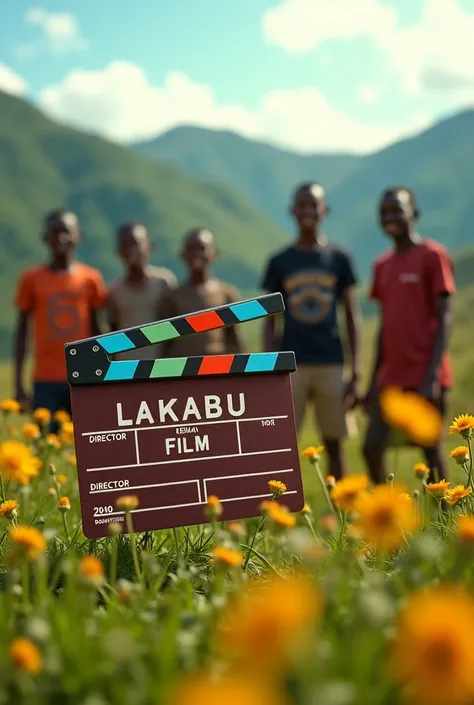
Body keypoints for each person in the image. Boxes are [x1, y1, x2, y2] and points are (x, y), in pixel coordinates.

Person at [261, 182, 361, 480]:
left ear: (324, 210)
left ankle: (343, 513)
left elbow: (351, 315)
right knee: (282, 443)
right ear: (292, 211)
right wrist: (269, 365)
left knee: (335, 444)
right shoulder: (280, 262)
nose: (307, 211)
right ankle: (278, 509)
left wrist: (356, 371)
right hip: (291, 364)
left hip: (331, 361)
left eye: (312, 204)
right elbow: (270, 320)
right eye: (301, 205)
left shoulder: (339, 258)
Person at [362, 187, 455, 484]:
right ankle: (385, 518)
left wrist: (431, 376)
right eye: (384, 212)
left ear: (414, 213)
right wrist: (373, 381)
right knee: (371, 447)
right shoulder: (382, 265)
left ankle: (445, 521)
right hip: (391, 379)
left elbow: (445, 318)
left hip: (424, 373)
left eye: (397, 210)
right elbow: (385, 327)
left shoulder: (433, 255)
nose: (390, 218)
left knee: (430, 449)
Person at [14, 209, 107, 418]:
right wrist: (18, 383)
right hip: (45, 379)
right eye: (55, 232)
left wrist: (103, 374)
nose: (61, 238)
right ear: (45, 238)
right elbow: (21, 331)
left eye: (66, 232)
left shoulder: (91, 279)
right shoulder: (31, 279)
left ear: (78, 236)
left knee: (86, 445)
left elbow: (98, 329)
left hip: (84, 376)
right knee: (46, 445)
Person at [160, 228, 244, 357]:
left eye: (202, 248)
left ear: (214, 253)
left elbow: (234, 340)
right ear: (183, 255)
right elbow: (165, 343)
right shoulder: (173, 297)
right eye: (191, 249)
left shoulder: (227, 293)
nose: (196, 254)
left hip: (218, 369)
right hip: (183, 371)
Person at [107, 223, 177, 359]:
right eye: (125, 245)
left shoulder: (164, 282)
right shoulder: (115, 290)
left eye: (135, 243)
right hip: (126, 365)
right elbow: (113, 329)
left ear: (148, 247)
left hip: (160, 365)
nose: (131, 249)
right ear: (119, 251)